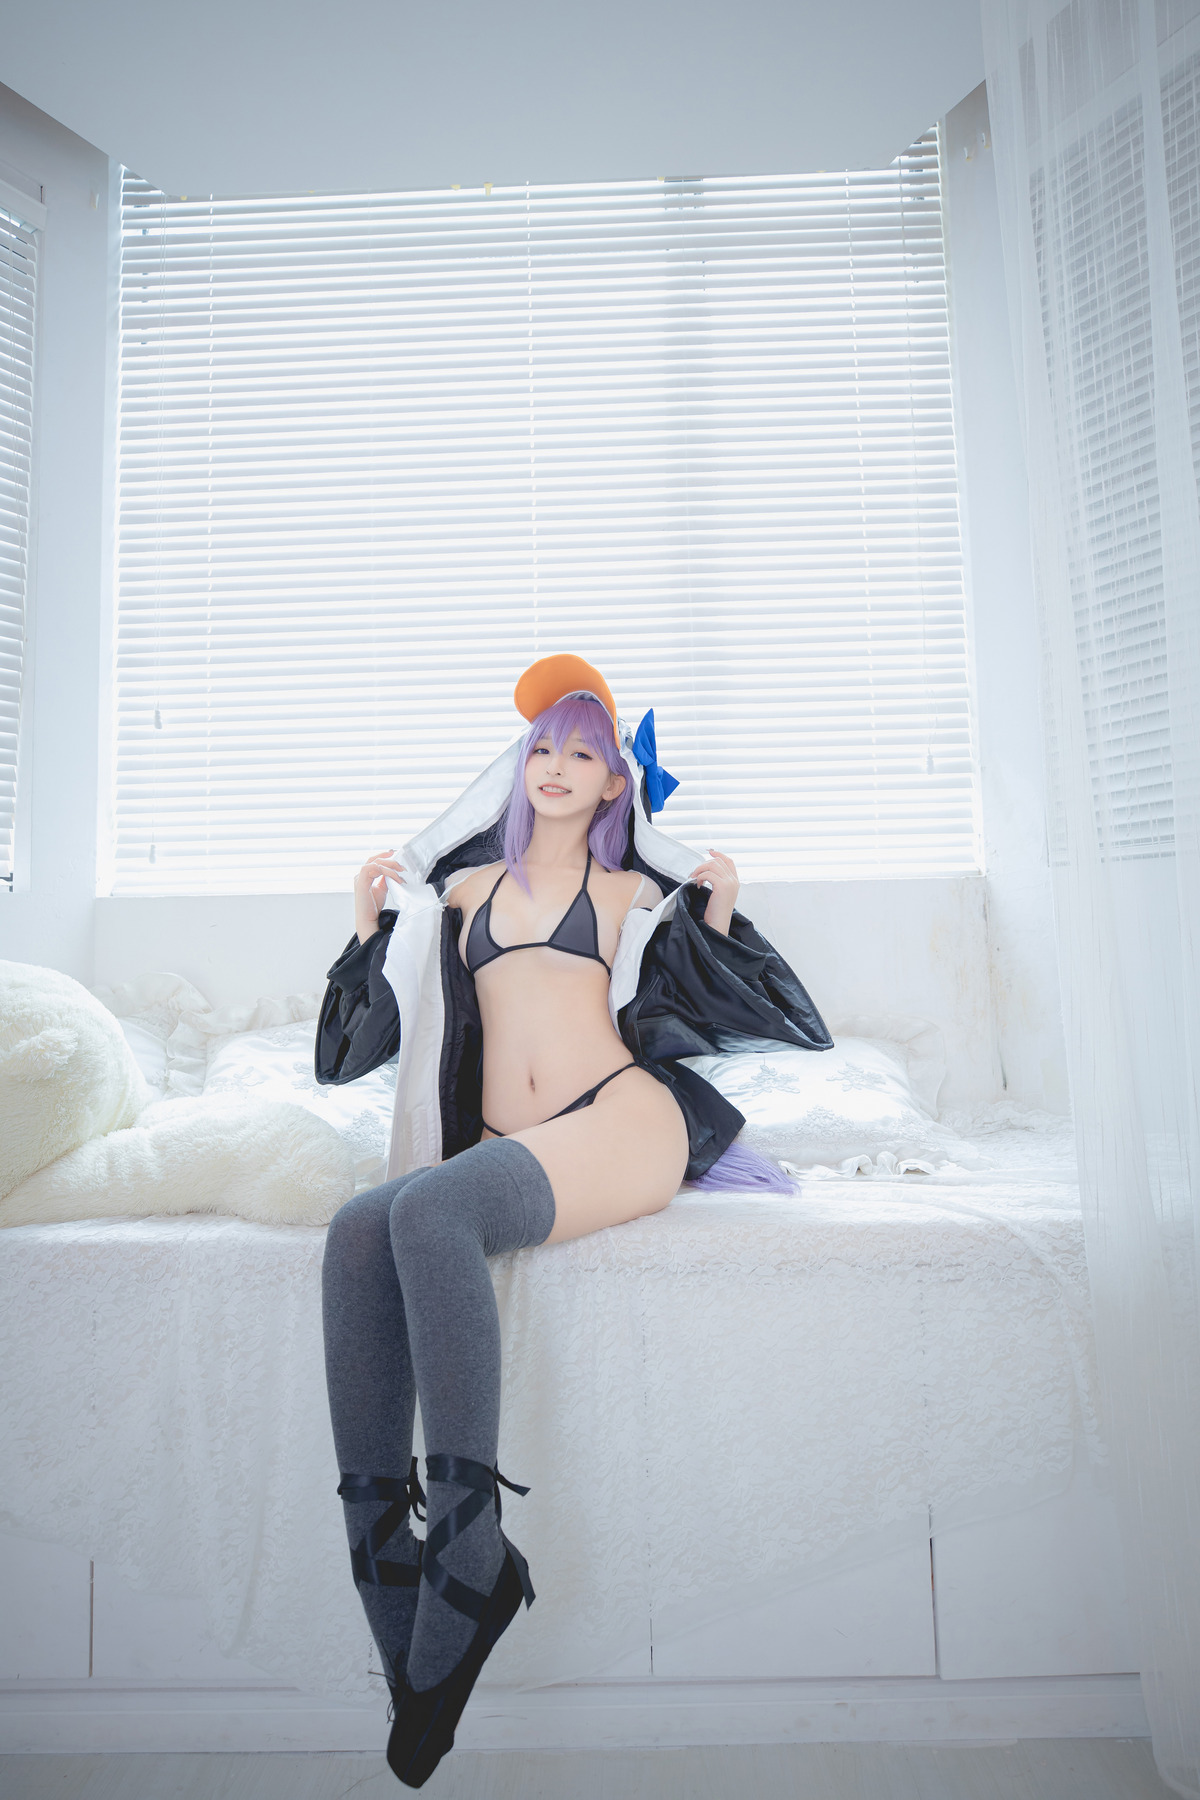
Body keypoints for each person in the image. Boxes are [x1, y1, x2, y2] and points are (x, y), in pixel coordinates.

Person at [318, 654, 831, 1787]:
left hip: (620, 1121)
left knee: (432, 1217)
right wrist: (366, 927)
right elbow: (358, 1051)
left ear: (614, 784)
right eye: (541, 747)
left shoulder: (631, 897)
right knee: (359, 1230)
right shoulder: (460, 896)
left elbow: (741, 1011)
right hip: (514, 1143)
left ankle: (469, 1543)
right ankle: (385, 1553)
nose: (555, 766)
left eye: (583, 752)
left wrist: (718, 908)